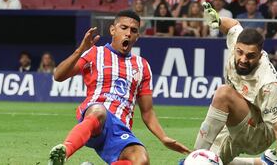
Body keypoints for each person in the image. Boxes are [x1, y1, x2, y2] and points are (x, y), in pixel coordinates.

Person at [48, 10, 190, 165]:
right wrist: (80, 50)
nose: (128, 33)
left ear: (137, 36)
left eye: (133, 30)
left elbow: (147, 112)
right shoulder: (95, 53)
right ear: (112, 30)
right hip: (95, 119)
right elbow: (58, 76)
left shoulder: (142, 66)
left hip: (120, 128)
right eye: (124, 28)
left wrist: (163, 137)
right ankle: (64, 152)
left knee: (141, 159)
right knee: (99, 111)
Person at [193, 2, 277, 165]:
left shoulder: (268, 82)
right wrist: (218, 20)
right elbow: (233, 25)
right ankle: (265, 163)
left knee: (223, 93)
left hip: (260, 132)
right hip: (238, 117)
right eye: (239, 52)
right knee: (215, 161)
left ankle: (195, 157)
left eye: (250, 56)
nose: (243, 59)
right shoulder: (236, 41)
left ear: (260, 55)